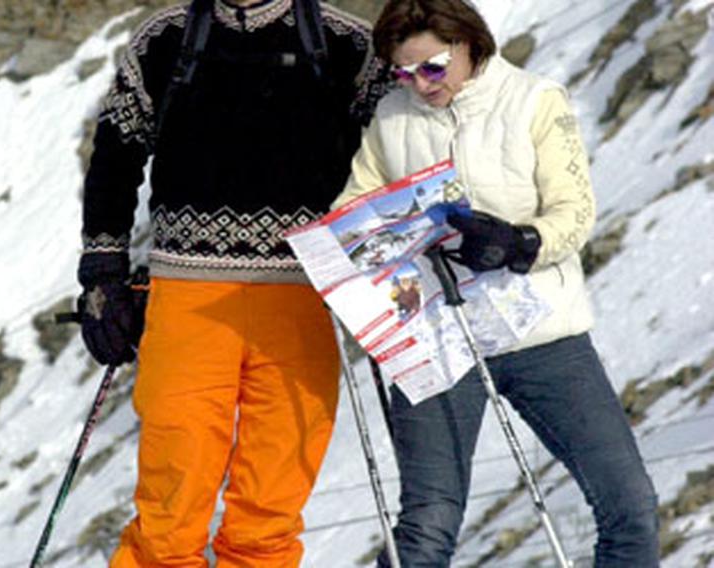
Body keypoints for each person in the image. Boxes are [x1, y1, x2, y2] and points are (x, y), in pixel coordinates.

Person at [332, 0, 660, 566]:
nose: (420, 84)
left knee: (629, 506)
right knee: (426, 529)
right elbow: (353, 210)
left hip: (541, 331)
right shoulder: (392, 117)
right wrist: (372, 238)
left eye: (431, 67)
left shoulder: (534, 100)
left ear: (468, 43)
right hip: (437, 339)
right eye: (403, 72)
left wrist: (521, 242)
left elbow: (573, 211)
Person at [77, 0, 386, 565]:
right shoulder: (163, 38)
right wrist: (102, 272)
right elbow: (115, 158)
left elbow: (399, 148)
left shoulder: (346, 44)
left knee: (273, 497)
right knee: (174, 493)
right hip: (188, 294)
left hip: (304, 291)